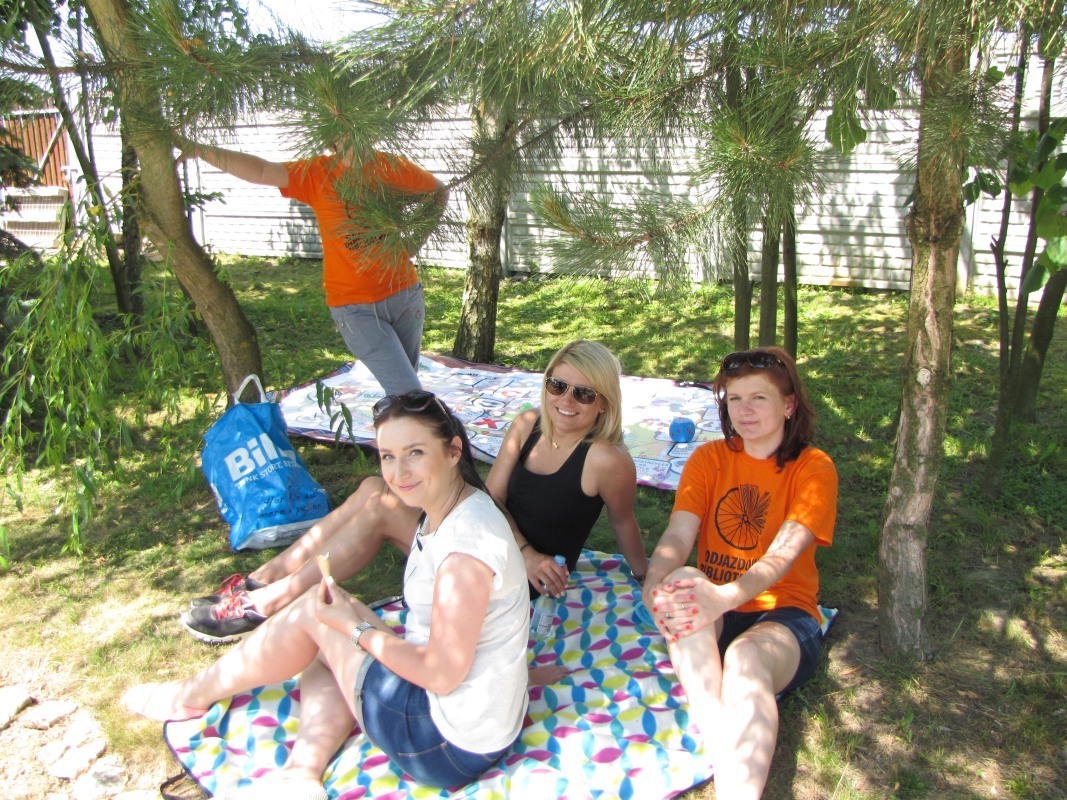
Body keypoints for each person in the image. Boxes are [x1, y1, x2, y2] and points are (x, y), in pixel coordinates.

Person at [125, 391, 530, 800]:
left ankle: (191, 696)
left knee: (317, 614)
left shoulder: (464, 550)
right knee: (328, 611)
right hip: (476, 724)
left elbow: (441, 674)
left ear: (453, 450)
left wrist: (356, 632)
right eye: (387, 456)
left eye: (415, 453)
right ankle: (301, 774)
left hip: (443, 744)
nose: (399, 472)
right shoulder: (458, 505)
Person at [180, 339, 647, 643]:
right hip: (494, 541)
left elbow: (624, 522)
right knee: (373, 486)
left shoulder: (606, 459)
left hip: (513, 580)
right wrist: (521, 548)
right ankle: (259, 581)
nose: (565, 401)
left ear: (605, 402)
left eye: (584, 394)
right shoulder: (527, 424)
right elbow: (491, 500)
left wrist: (647, 576)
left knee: (383, 509)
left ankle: (268, 603)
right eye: (557, 385)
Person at [643, 347, 837, 800]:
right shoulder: (709, 458)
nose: (744, 411)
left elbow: (782, 555)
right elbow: (678, 535)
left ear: (788, 405)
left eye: (759, 398)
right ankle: (720, 736)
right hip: (714, 606)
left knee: (745, 660)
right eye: (734, 399)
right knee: (679, 580)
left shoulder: (814, 468)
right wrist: (654, 586)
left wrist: (723, 597)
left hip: (783, 614)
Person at [176, 136, 447, 395]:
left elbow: (438, 192)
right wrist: (199, 150)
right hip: (355, 307)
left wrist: (415, 241)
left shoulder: (391, 167)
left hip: (404, 296)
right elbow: (261, 170)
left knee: (403, 387)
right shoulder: (318, 173)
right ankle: (411, 426)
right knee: (408, 393)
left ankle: (394, 427)